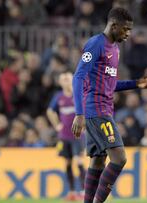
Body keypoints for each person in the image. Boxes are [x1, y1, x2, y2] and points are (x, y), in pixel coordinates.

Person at [71, 8, 147, 203]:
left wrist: (136, 83)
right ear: (114, 25)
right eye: (125, 29)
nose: (128, 34)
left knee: (99, 160)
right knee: (119, 158)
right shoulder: (95, 44)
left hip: (104, 109)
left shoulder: (114, 49)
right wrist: (79, 113)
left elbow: (109, 85)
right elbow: (78, 77)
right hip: (96, 110)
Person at [47, 71, 86, 201]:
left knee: (79, 162)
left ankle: (83, 191)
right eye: (63, 78)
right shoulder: (58, 96)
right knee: (68, 163)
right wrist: (57, 125)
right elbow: (50, 111)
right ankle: (72, 192)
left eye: (68, 78)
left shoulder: (79, 94)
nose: (66, 80)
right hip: (64, 136)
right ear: (59, 82)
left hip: (78, 135)